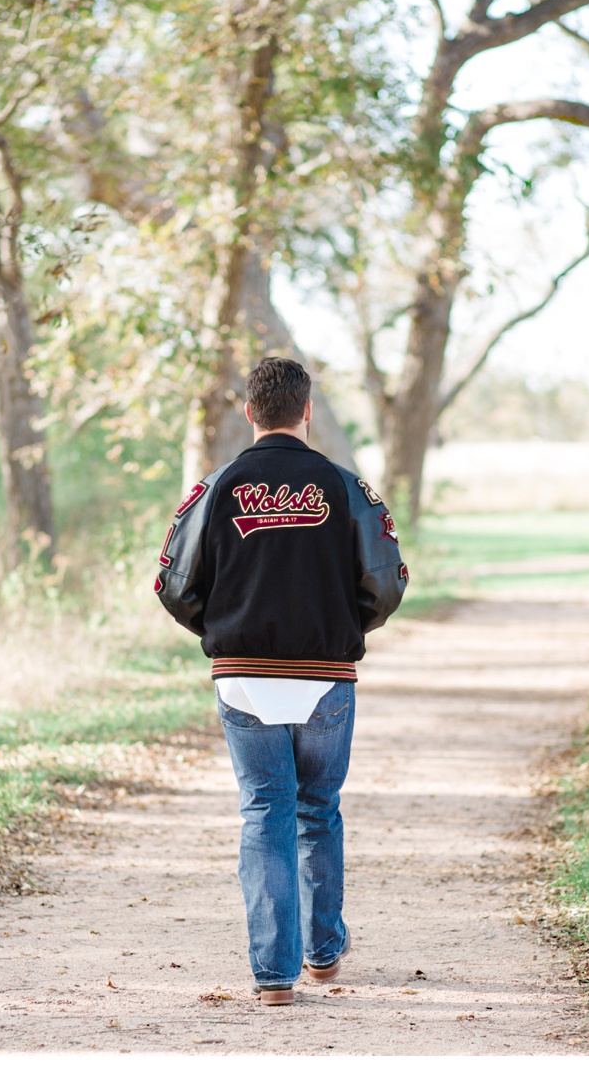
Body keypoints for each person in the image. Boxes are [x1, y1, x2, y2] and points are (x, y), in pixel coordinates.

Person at [155, 356, 408, 1005]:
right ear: (306, 411)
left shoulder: (216, 486)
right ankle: (323, 954)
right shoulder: (346, 484)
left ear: (248, 412)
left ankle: (273, 977)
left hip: (242, 680)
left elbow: (172, 583)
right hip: (326, 677)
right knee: (316, 809)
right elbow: (386, 579)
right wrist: (341, 631)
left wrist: (226, 633)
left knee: (264, 812)